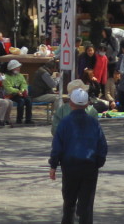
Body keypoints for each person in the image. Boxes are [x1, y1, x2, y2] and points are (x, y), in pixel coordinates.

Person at [49, 88, 109, 224]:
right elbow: (102, 145)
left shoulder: (65, 123)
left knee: (69, 202)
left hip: (70, 166)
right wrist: (98, 162)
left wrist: (53, 165)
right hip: (89, 166)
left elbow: (57, 146)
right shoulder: (93, 122)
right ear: (87, 104)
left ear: (71, 103)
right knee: (86, 203)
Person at [2, 59, 33, 124]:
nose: (19, 68)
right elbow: (7, 88)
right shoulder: (6, 77)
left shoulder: (20, 75)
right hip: (10, 95)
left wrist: (21, 91)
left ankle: (28, 119)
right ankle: (19, 119)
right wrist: (17, 91)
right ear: (12, 68)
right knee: (21, 101)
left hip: (20, 93)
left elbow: (24, 84)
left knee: (28, 100)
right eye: (17, 67)